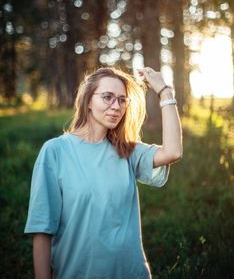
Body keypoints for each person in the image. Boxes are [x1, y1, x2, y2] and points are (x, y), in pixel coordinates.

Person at [24, 66, 182, 279]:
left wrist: (165, 92)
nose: (116, 106)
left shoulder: (127, 150)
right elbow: (42, 229)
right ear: (88, 100)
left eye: (122, 100)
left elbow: (173, 151)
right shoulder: (55, 151)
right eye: (107, 97)